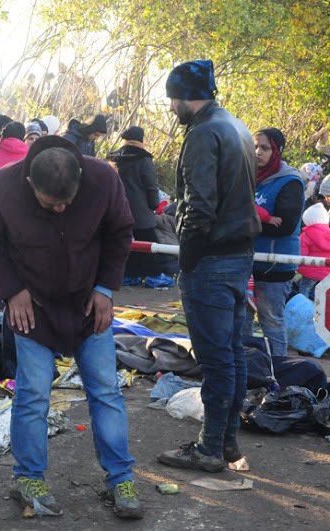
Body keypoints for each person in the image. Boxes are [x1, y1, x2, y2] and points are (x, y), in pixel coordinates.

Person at [0, 135, 143, 520]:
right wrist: (12, 291)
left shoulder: (102, 179)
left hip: (89, 303)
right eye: (52, 204)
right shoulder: (1, 187)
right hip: (33, 307)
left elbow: (120, 233)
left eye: (68, 201)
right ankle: (28, 477)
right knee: (32, 393)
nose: (62, 209)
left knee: (106, 391)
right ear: (31, 184)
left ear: (80, 177)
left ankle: (121, 478)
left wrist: (105, 289)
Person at [156, 59, 260, 472]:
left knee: (217, 359)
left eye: (172, 100)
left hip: (212, 259)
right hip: (238, 256)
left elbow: (199, 207)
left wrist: (188, 258)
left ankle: (209, 449)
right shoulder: (237, 126)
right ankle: (226, 443)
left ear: (183, 97)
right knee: (231, 355)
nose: (170, 109)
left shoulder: (203, 134)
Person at [243, 128, 304, 358]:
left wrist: (243, 223)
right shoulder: (246, 176)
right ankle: (248, 370)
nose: (258, 152)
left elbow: (285, 225)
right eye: (255, 146)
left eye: (265, 148)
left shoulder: (290, 181)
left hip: (275, 264)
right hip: (245, 263)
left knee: (270, 320)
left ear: (277, 150)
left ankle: (279, 372)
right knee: (242, 318)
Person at [107, 126, 162, 279]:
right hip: (141, 215)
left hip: (117, 212)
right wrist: (154, 205)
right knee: (148, 248)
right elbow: (151, 186)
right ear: (140, 140)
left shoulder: (112, 158)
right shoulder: (144, 160)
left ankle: (126, 277)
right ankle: (151, 276)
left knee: (123, 248)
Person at [297, 203, 330, 299]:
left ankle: (304, 307)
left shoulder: (305, 235)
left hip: (310, 272)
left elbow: (302, 255)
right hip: (327, 272)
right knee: (324, 292)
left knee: (305, 288)